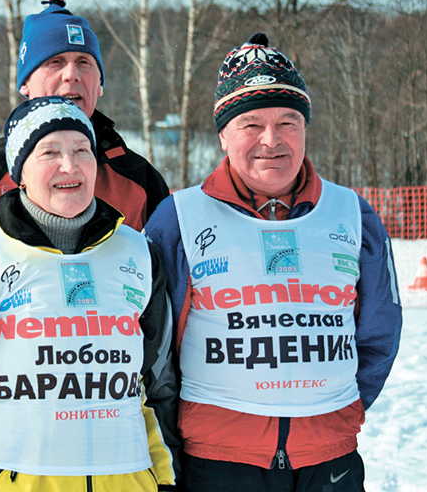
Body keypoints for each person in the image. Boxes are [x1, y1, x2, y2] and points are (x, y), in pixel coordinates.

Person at [0, 0, 170, 453]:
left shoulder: (139, 180)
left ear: (100, 82)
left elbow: (164, 326)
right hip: (9, 440)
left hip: (113, 437)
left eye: (85, 63)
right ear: (26, 82)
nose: (71, 75)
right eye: (55, 61)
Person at [144, 32, 403, 492]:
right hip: (219, 457)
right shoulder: (179, 217)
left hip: (329, 455)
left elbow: (380, 329)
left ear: (305, 129)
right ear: (223, 134)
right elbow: (154, 346)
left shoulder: (351, 213)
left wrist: (340, 408)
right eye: (251, 124)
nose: (272, 140)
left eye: (288, 121)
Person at [0, 95, 179, 492]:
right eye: (49, 152)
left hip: (125, 478)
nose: (69, 166)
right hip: (8, 478)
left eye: (81, 150)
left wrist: (168, 479)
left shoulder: (139, 253)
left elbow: (158, 386)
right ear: (20, 171)